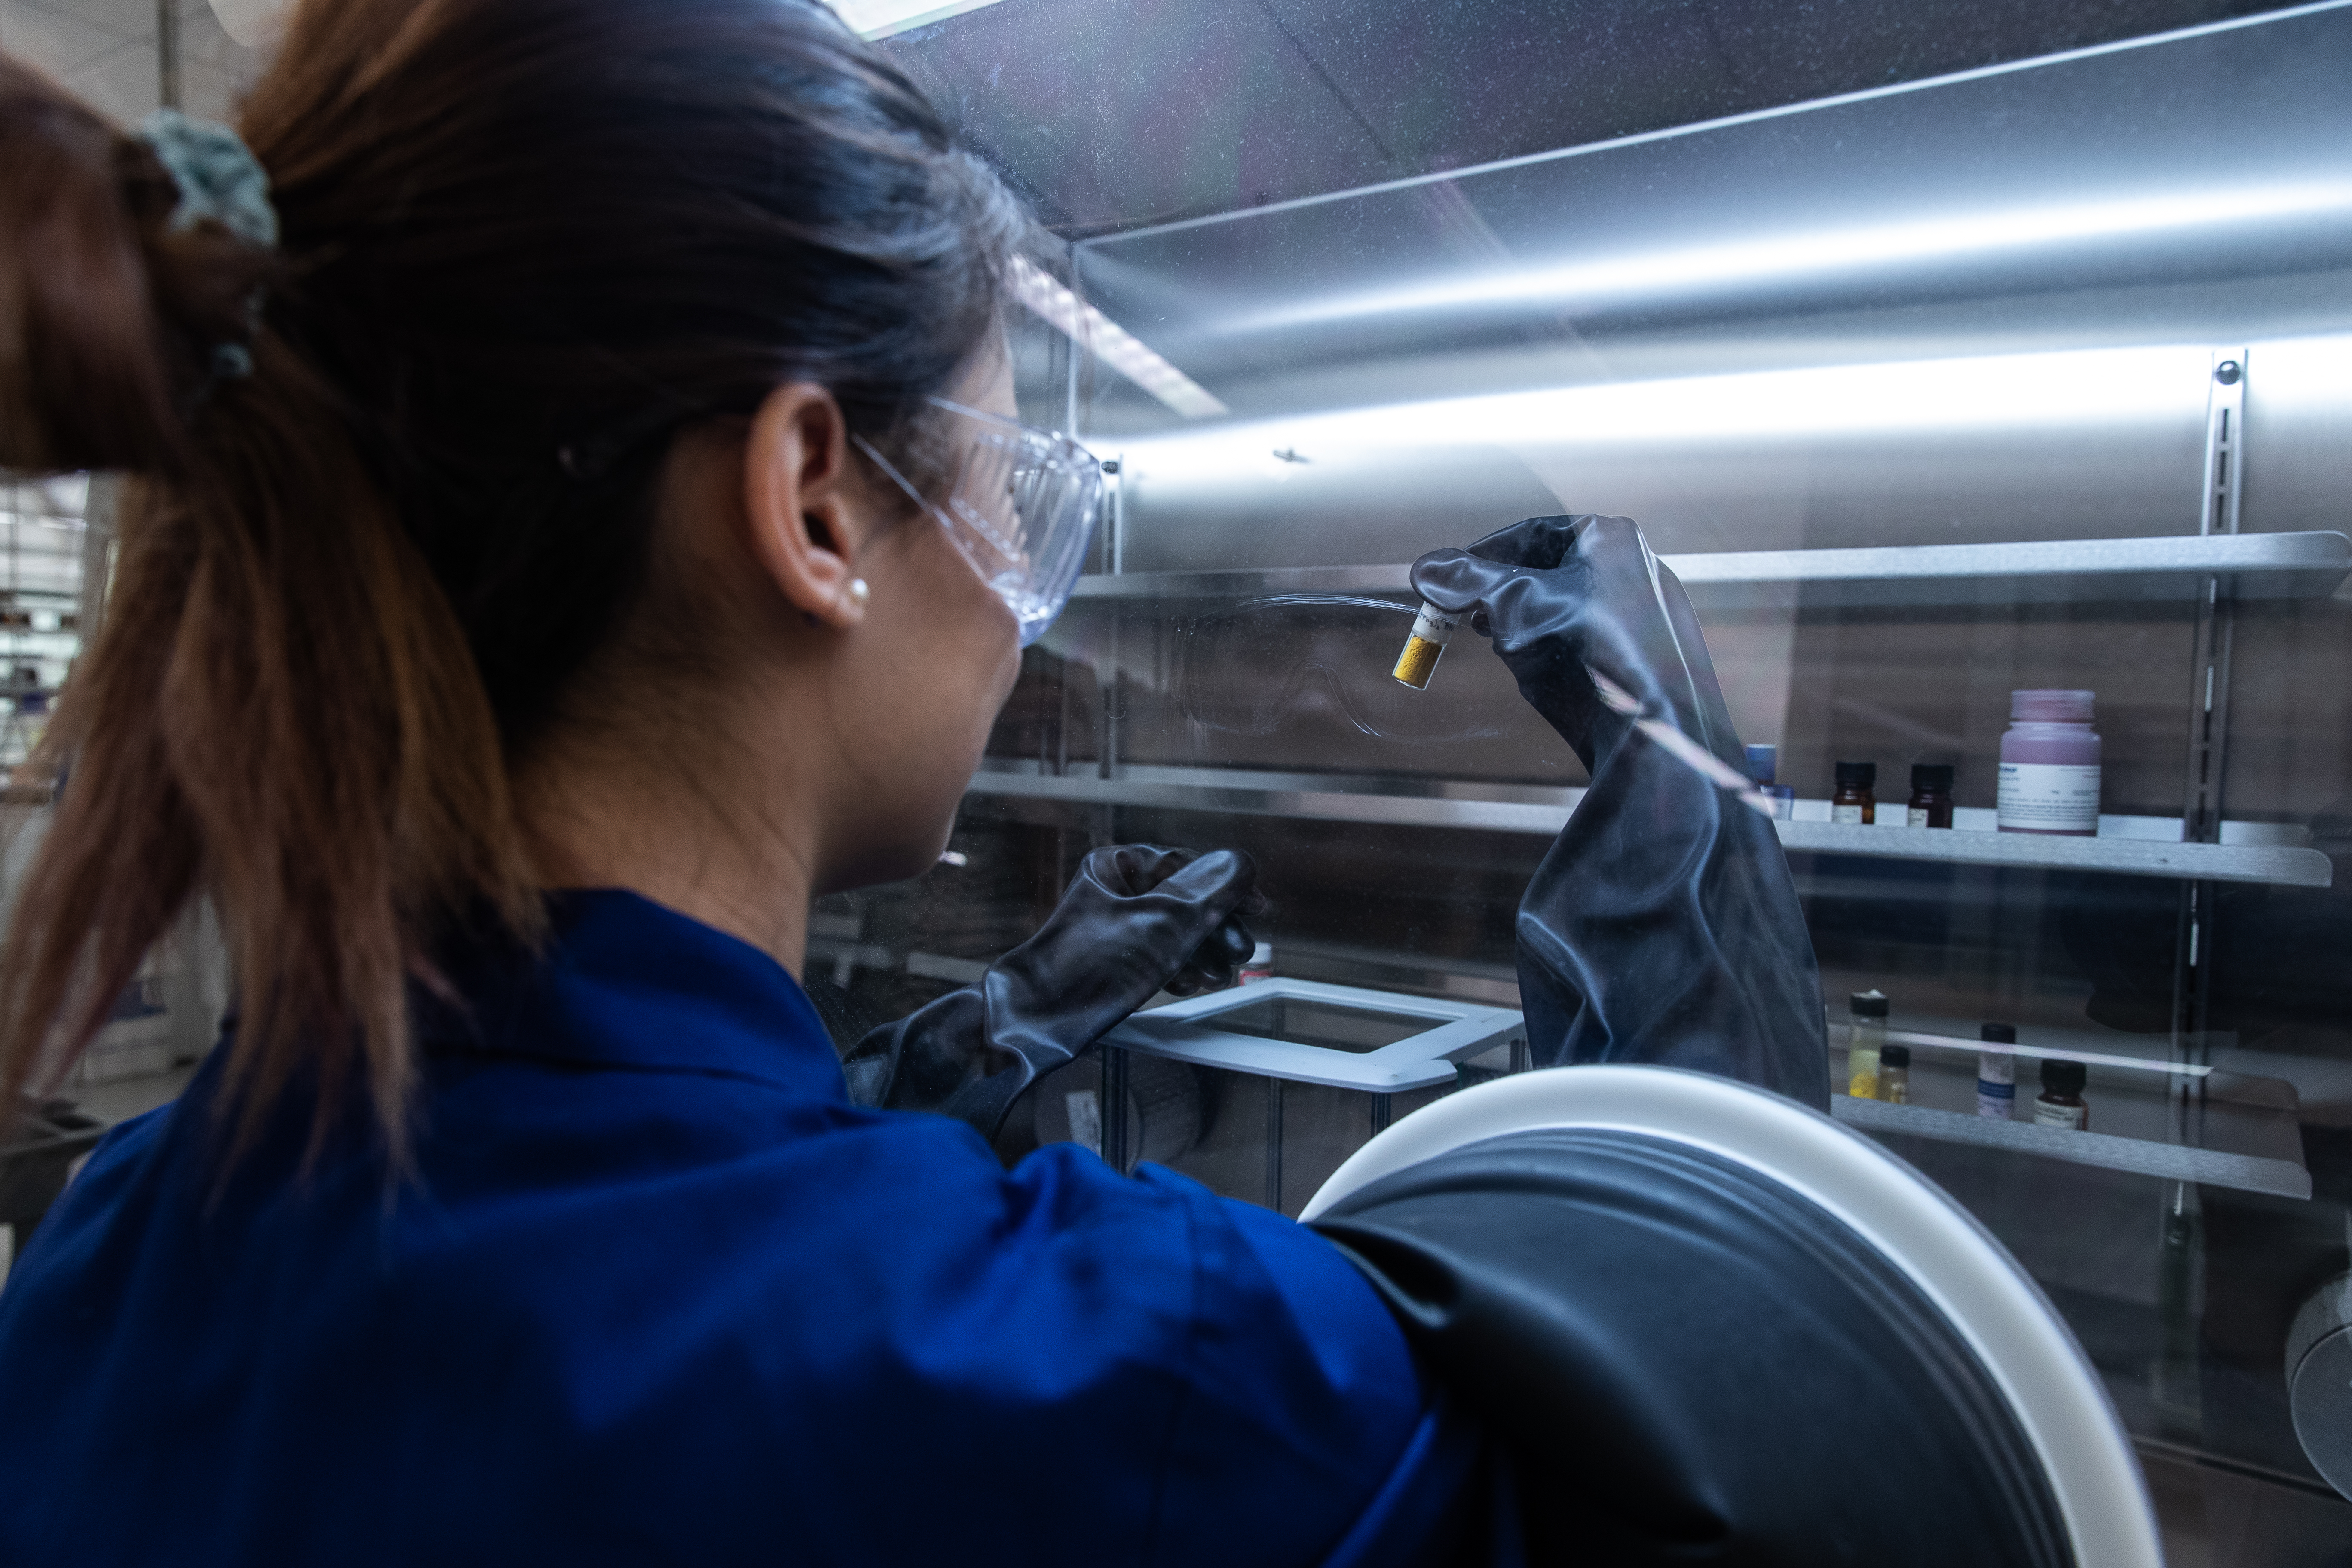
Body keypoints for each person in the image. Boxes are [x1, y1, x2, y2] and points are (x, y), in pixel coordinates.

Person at [0, 3, 1493, 1562]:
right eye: (1009, 488)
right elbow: (1733, 1409)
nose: (1017, 609)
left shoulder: (106, 1259)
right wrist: (1654, 774)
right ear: (814, 508)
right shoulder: (1139, 1372)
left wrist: (988, 1035)